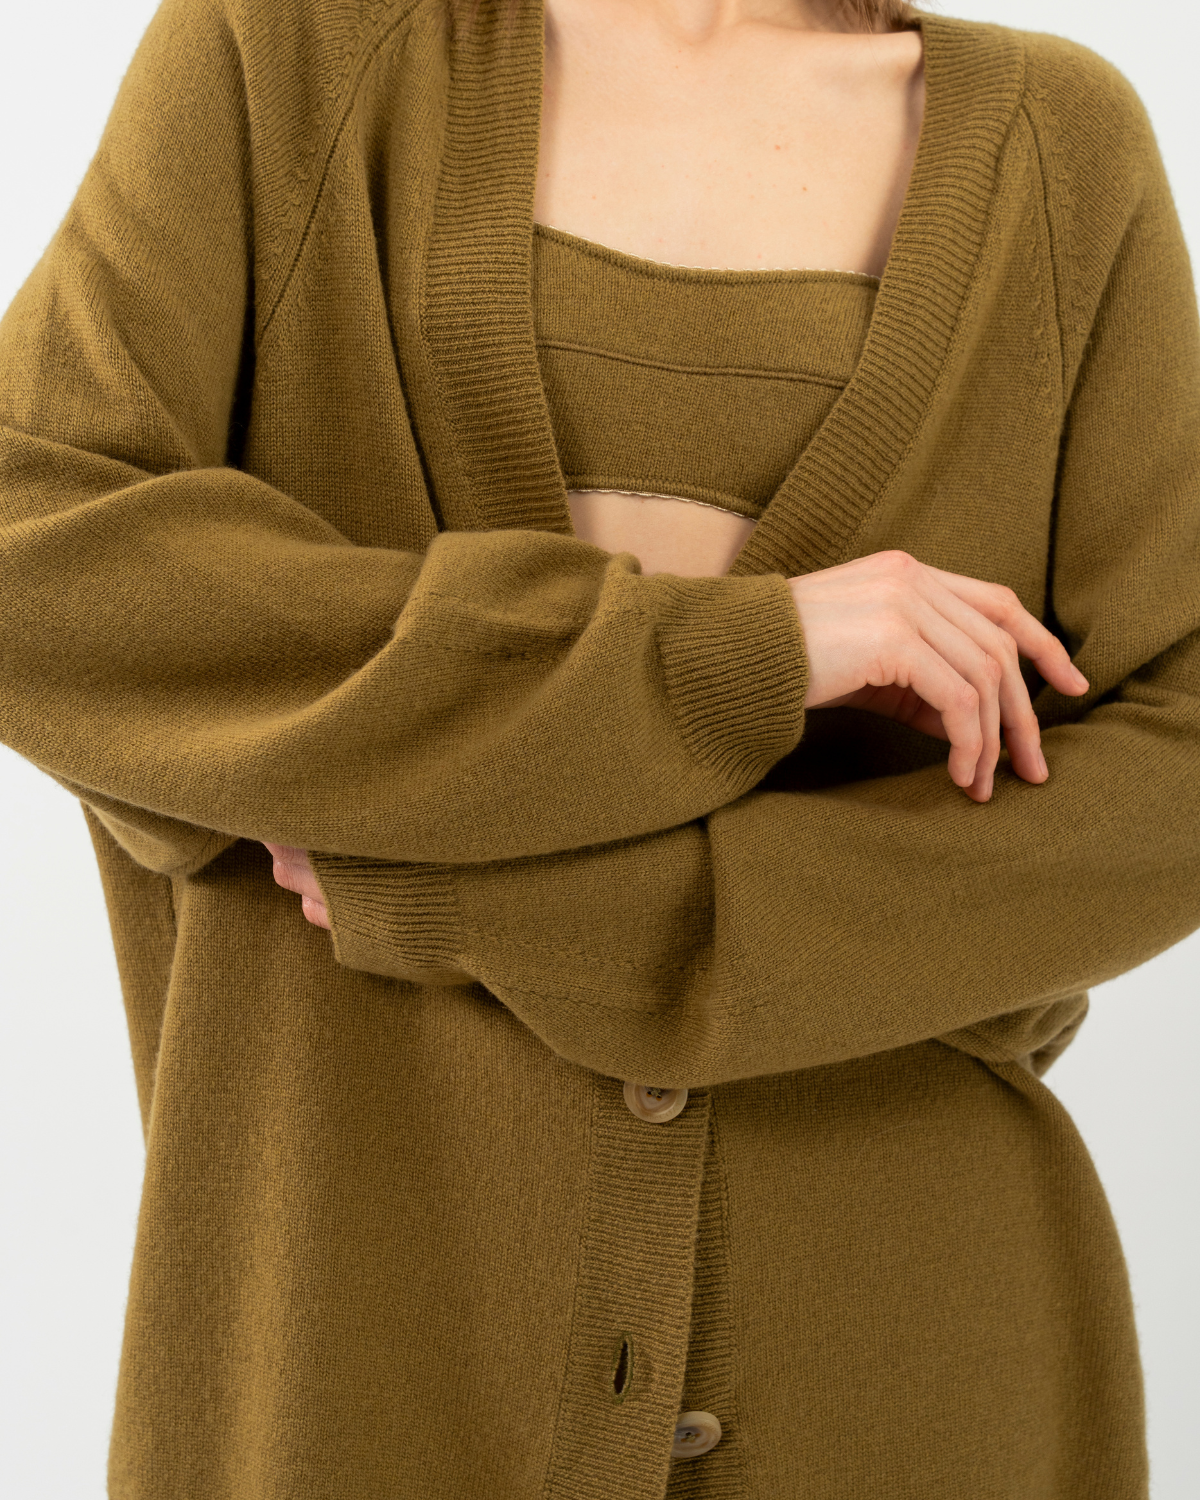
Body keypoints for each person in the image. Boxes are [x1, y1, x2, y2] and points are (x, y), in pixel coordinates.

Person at [0, 0, 1196, 1493]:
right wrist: (735, 658)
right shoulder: (285, 54)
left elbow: (1178, 763)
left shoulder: (1058, 146)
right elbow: (34, 557)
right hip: (356, 1343)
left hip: (910, 1353)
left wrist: (582, 917)